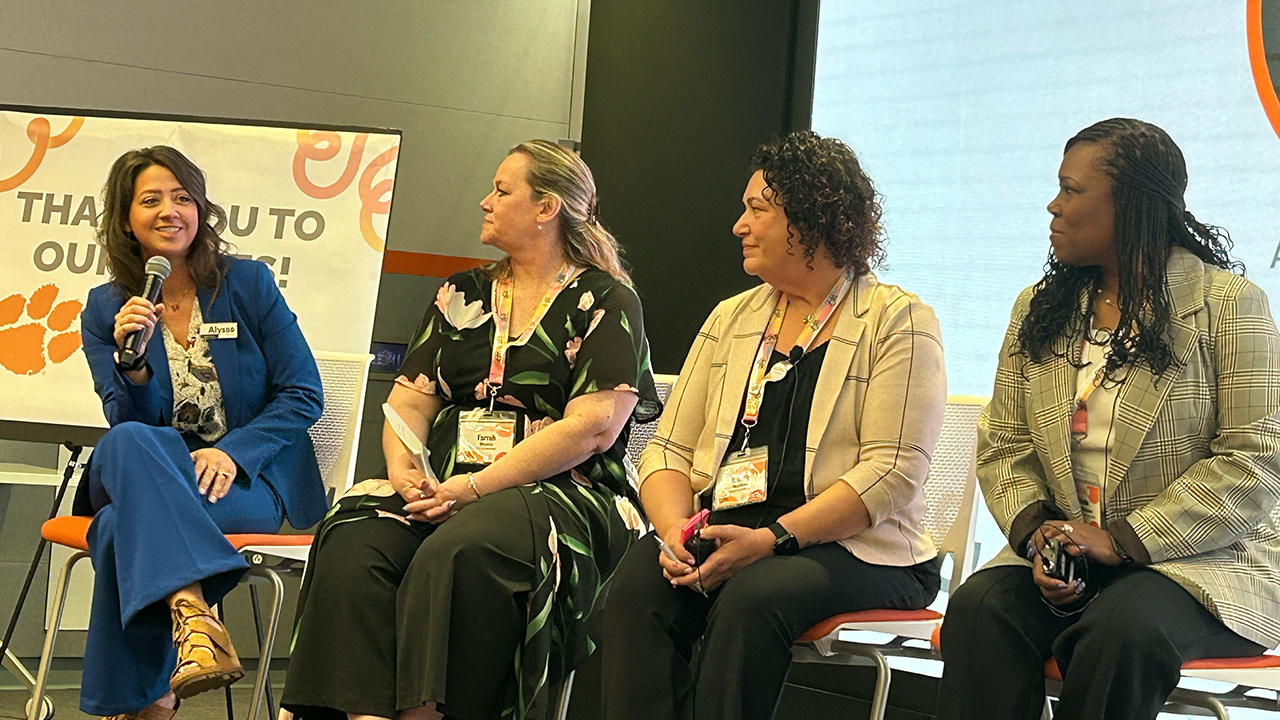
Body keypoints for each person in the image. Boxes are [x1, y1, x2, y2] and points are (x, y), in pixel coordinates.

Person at [282, 140, 661, 720]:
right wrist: (406, 475)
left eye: (502, 191)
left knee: (462, 550)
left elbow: (591, 430)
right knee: (356, 537)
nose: (485, 201)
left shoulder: (607, 299)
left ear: (546, 208)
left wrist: (474, 488)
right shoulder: (462, 292)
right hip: (446, 484)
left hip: (560, 489)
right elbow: (408, 404)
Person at [936, 118, 1280, 720]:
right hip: (1071, 551)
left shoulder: (1228, 305)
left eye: (1070, 190)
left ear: (1132, 205)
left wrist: (1122, 541)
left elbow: (1255, 459)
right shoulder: (1041, 308)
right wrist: (1042, 536)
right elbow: (1004, 443)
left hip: (1202, 563)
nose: (1053, 205)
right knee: (980, 608)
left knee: (1120, 631)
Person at [599, 130, 947, 720]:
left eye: (757, 210)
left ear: (811, 221)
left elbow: (892, 473)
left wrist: (773, 540)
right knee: (639, 589)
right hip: (732, 530)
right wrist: (674, 532)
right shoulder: (732, 317)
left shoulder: (897, 320)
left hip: (856, 549)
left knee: (753, 596)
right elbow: (668, 450)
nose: (739, 225)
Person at [77, 145, 326, 720]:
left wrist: (233, 453)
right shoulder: (106, 309)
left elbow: (303, 392)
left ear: (200, 210)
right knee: (125, 443)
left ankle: (150, 702)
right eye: (151, 200)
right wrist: (134, 366)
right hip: (157, 469)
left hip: (242, 480)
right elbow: (129, 423)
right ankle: (192, 613)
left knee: (116, 527)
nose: (170, 211)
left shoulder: (248, 284)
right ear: (126, 220)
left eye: (182, 197)